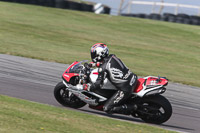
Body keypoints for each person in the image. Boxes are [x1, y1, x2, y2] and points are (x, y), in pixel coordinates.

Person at [83, 43, 138, 114]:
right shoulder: (112, 57)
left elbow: (97, 85)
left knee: (107, 108)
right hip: (132, 78)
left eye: (94, 54)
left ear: (99, 55)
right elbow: (103, 64)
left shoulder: (103, 68)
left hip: (125, 88)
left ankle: (133, 107)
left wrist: (86, 87)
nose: (93, 56)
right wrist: (92, 65)